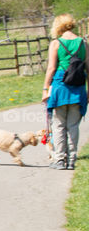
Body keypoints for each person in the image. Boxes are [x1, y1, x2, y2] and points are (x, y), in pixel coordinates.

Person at [42, 13, 88, 170]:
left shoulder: (56, 43)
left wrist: (45, 89)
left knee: (59, 125)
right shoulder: (83, 43)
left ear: (58, 26)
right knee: (73, 125)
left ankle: (60, 159)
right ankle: (72, 160)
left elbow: (51, 68)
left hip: (60, 86)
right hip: (79, 87)